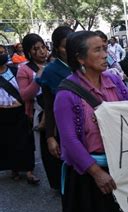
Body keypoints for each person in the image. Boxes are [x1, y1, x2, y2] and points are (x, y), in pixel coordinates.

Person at [54, 31, 128, 212]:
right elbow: (70, 141)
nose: (106, 54)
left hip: (121, 163)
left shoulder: (114, 81)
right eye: (98, 50)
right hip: (90, 171)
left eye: (105, 48)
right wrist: (96, 173)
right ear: (81, 58)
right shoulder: (66, 94)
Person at [36, 26, 74, 190]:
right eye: (66, 46)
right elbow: (49, 107)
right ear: (58, 48)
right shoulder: (51, 71)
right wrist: (50, 137)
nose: (71, 50)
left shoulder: (83, 63)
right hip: (65, 129)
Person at [0, 44, 35, 183]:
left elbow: (25, 89)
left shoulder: (16, 70)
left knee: (26, 141)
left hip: (21, 112)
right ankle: (14, 169)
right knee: (8, 142)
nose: (1, 54)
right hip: (2, 116)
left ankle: (29, 171)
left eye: (2, 52)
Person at [17, 33, 49, 185]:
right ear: (29, 52)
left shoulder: (53, 64)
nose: (42, 51)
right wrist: (38, 78)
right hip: (37, 112)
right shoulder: (24, 69)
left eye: (43, 47)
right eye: (37, 48)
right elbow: (24, 95)